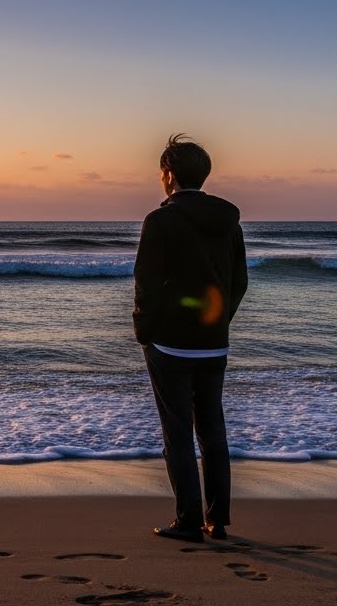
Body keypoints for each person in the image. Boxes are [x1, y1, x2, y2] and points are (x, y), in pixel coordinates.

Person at [133, 134, 248, 543]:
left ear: (168, 175)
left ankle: (187, 521)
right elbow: (238, 282)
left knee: (178, 434)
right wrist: (219, 323)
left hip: (168, 344)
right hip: (213, 342)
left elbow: (147, 284)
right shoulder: (229, 222)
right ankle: (218, 521)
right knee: (213, 430)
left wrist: (144, 331)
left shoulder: (159, 221)